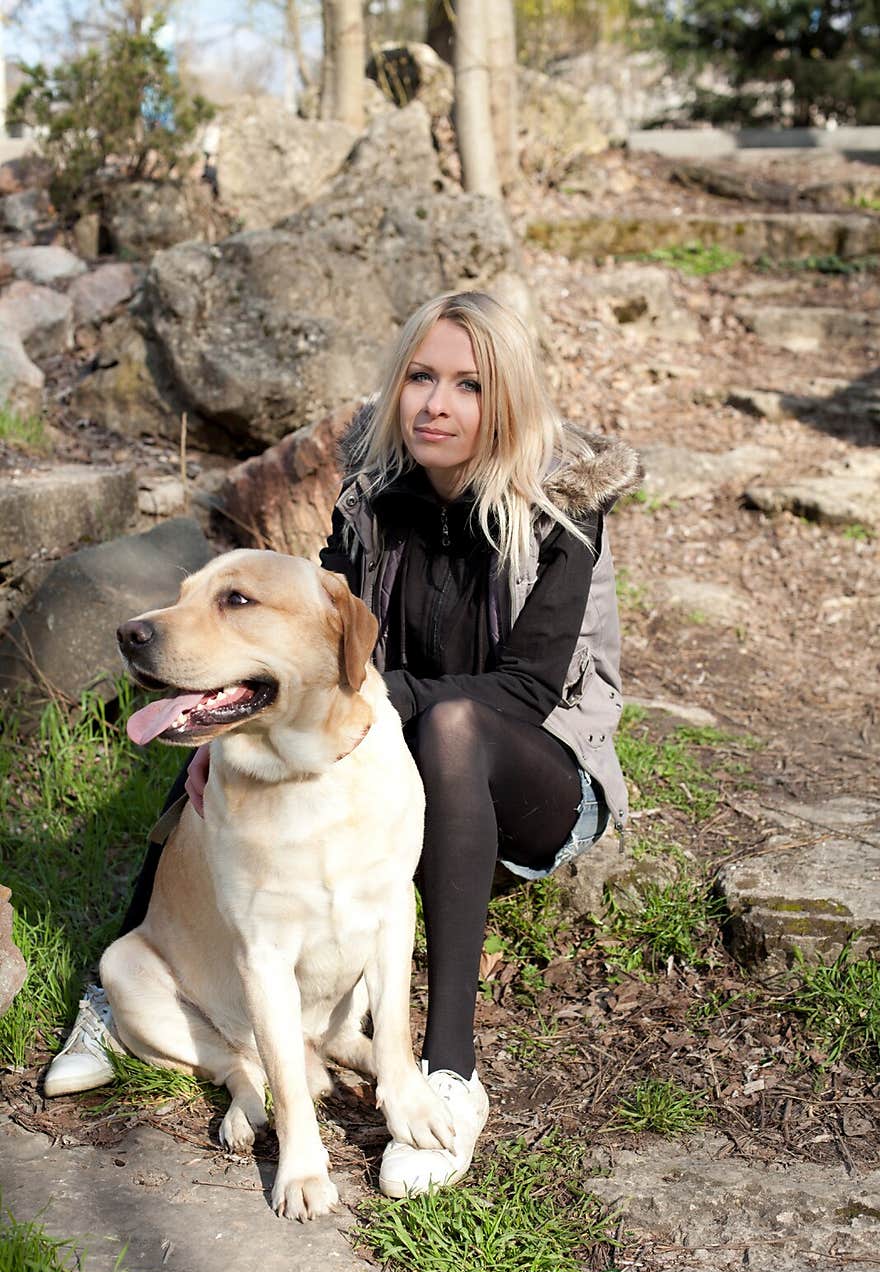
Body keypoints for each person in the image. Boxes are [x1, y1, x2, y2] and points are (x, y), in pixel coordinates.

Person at [43, 290, 641, 1196]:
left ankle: (444, 1071)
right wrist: (226, 715)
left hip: (539, 768)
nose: (437, 404)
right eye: (421, 377)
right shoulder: (373, 493)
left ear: (508, 400)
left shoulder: (562, 511)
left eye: (469, 385)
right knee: (223, 718)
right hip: (397, 740)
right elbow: (320, 647)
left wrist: (373, 699)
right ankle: (130, 984)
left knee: (450, 726)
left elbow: (524, 689)